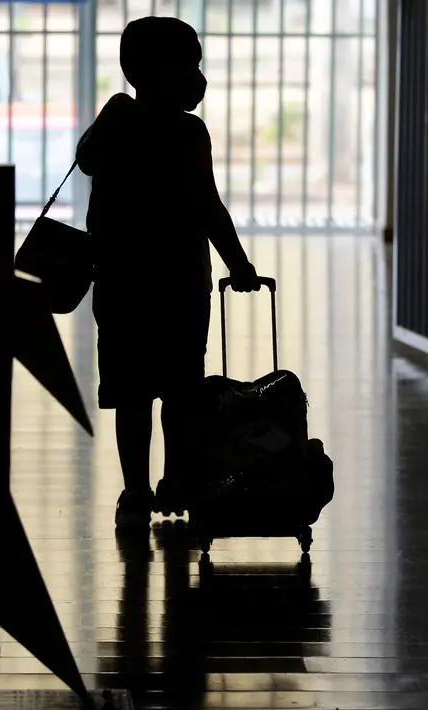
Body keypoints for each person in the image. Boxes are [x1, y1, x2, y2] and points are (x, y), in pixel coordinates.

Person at [76, 15, 260, 529]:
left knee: (130, 396)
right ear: (161, 70)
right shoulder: (187, 131)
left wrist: (112, 114)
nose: (198, 78)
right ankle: (176, 482)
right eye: (191, 65)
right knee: (181, 392)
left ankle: (135, 493)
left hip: (121, 283)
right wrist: (238, 264)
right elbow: (208, 206)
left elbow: (85, 162)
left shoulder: (116, 122)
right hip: (181, 284)